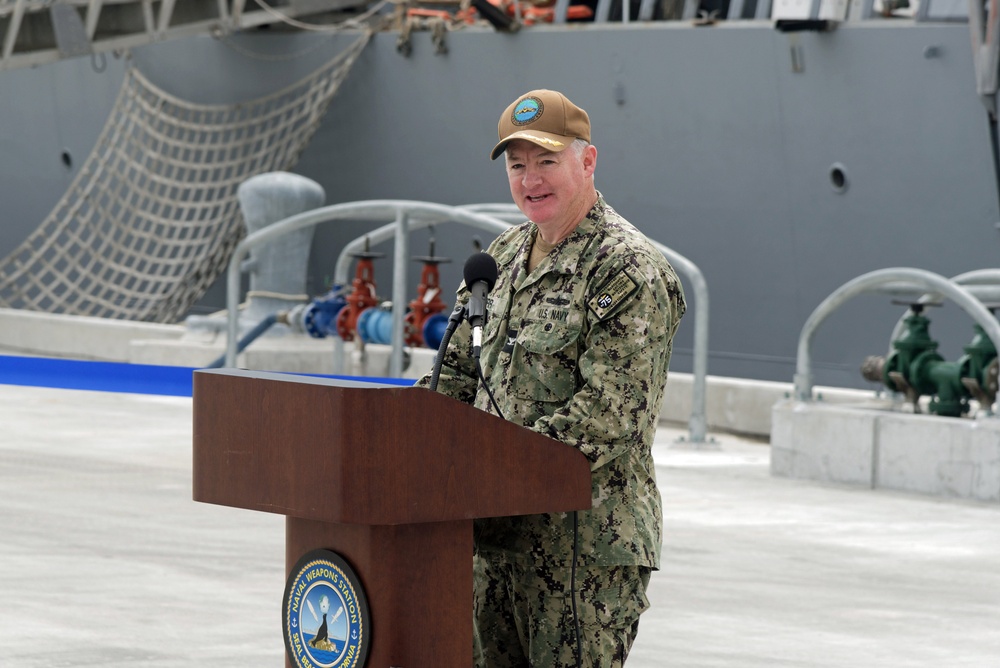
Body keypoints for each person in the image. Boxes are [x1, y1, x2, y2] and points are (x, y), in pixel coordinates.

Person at [415, 89, 686, 668]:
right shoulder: (502, 259)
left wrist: (486, 471)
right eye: (517, 165)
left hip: (580, 552)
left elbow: (611, 419)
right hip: (489, 541)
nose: (530, 179)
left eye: (546, 161)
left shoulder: (627, 269)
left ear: (587, 162)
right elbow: (455, 377)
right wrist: (388, 436)